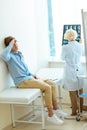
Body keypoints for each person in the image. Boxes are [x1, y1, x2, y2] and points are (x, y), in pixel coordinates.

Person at [0, 36, 68, 125]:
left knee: (51, 83)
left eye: (16, 42)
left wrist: (33, 75)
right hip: (22, 82)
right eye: (13, 43)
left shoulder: (19, 54)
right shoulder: (9, 57)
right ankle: (50, 115)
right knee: (47, 87)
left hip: (29, 78)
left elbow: (25, 69)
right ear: (10, 45)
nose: (16, 44)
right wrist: (10, 45)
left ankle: (56, 109)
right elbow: (3, 55)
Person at [61, 29, 84, 116]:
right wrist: (81, 44)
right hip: (79, 70)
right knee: (80, 91)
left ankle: (74, 112)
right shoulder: (80, 46)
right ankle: (81, 110)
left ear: (66, 36)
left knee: (72, 93)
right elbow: (83, 54)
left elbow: (62, 58)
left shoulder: (65, 47)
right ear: (75, 35)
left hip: (70, 70)